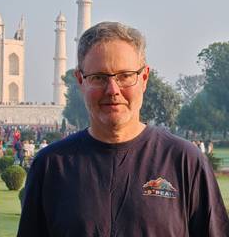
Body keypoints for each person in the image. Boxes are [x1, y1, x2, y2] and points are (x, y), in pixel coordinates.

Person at [17, 22, 229, 236]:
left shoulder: (184, 161)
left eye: (125, 76)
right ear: (80, 81)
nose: (113, 90)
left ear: (144, 78)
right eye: (99, 77)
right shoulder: (51, 166)